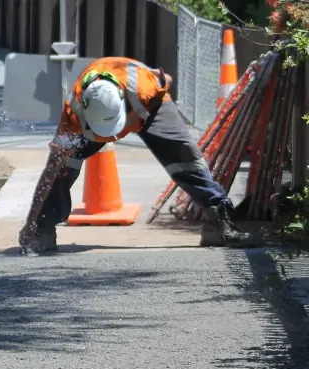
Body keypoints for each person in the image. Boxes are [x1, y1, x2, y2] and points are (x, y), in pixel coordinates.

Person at [20, 56, 251, 255]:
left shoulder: (142, 84)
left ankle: (217, 219)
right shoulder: (73, 113)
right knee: (61, 168)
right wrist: (30, 221)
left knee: (186, 156)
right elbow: (50, 168)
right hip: (97, 124)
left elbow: (166, 80)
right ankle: (42, 229)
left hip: (151, 108)